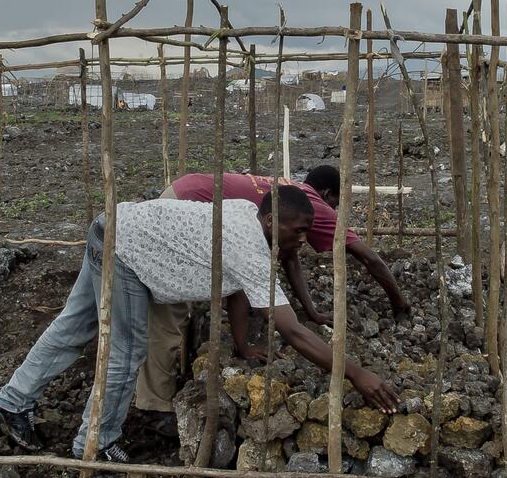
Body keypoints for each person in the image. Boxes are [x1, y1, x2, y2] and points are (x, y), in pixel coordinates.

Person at [0, 186, 398, 461]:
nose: (304, 240)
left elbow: (237, 289)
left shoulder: (248, 215)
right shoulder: (250, 247)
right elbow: (291, 330)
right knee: (126, 352)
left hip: (110, 227)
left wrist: (241, 345)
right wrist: (355, 373)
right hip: (125, 252)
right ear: (273, 222)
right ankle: (95, 443)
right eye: (300, 231)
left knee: (74, 328)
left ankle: (12, 400)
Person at [132, 164, 410, 420]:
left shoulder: (292, 198)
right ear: (326, 194)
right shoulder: (316, 209)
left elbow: (288, 259)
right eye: (335, 204)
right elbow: (369, 258)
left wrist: (311, 312)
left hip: (189, 190)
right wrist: (400, 305)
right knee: (170, 308)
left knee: (185, 297)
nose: (333, 212)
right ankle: (154, 406)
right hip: (187, 205)